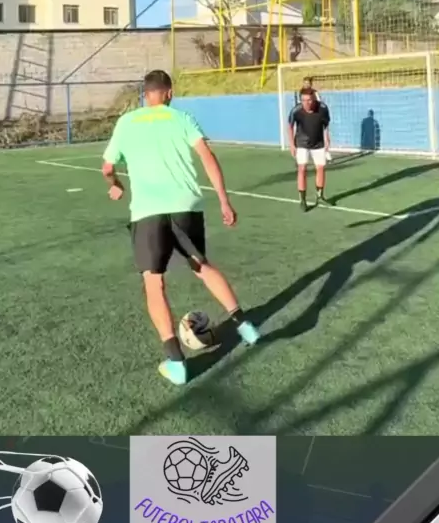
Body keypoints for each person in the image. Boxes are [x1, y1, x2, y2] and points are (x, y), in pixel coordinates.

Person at [101, 69, 260, 386]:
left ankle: (176, 362)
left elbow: (107, 167)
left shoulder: (126, 122)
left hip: (147, 211)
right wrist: (224, 201)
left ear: (145, 94)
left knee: (154, 282)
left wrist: (115, 184)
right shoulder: (182, 118)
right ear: (169, 93)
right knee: (201, 265)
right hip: (186, 206)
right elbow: (207, 157)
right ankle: (245, 326)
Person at [288, 87, 331, 212]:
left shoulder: (323, 108)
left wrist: (327, 138)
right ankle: (303, 200)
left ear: (314, 99)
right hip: (301, 143)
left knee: (320, 168)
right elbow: (290, 126)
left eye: (309, 100)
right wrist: (291, 144)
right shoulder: (296, 110)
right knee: (302, 169)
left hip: (318, 143)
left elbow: (325, 125)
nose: (307, 103)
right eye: (304, 100)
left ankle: (320, 196)